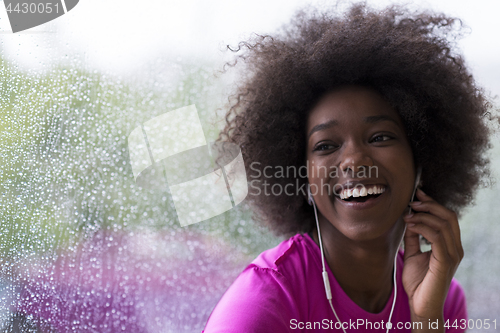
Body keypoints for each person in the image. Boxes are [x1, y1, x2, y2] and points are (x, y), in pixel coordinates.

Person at [204, 3, 496, 332]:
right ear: (303, 178)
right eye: (326, 145)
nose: (355, 160)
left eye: (381, 137)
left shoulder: (441, 296)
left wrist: (426, 318)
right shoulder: (263, 302)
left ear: (422, 161)